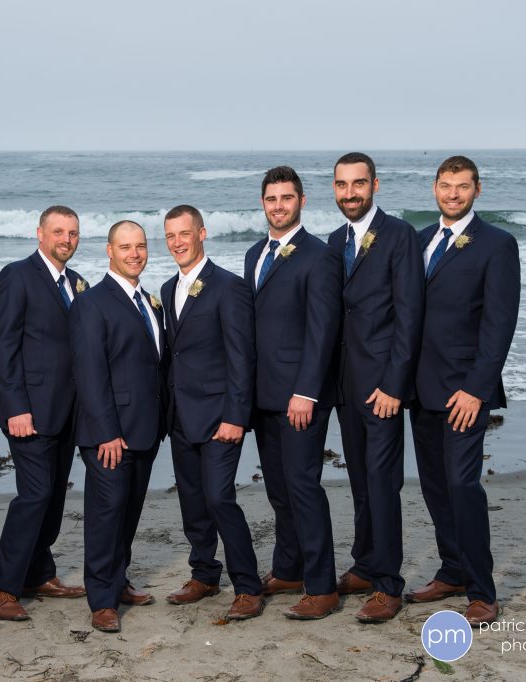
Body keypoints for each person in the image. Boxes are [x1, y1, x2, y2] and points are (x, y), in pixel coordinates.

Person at [406, 155, 520, 626]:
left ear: (478, 190)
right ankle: (451, 569)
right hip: (421, 388)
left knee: (462, 485)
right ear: (434, 188)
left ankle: (481, 590)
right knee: (434, 486)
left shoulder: (497, 244)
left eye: (463, 187)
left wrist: (477, 389)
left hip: (465, 393)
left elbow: (499, 325)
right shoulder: (418, 241)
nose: (453, 194)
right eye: (446, 185)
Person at [326, 153, 424, 622]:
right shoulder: (333, 241)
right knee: (361, 482)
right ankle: (364, 565)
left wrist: (394, 385)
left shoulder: (399, 235)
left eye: (359, 184)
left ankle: (388, 584)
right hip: (346, 386)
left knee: (383, 485)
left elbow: (410, 316)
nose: (351, 193)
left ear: (375, 185)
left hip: (382, 387)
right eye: (343, 185)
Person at [243, 166, 343, 619]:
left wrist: (306, 391)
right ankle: (288, 568)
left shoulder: (318, 256)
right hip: (264, 396)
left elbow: (323, 331)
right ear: (263, 203)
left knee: (304, 487)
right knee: (279, 490)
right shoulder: (253, 254)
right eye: (271, 198)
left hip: (300, 398)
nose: (278, 206)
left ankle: (322, 587)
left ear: (302, 201)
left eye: (287, 197)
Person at [0, 206, 89, 621]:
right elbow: (2, 347)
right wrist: (16, 407)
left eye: (74, 233)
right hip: (28, 412)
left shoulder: (77, 283)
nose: (67, 239)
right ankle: (2, 589)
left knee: (54, 494)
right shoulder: (17, 276)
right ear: (40, 234)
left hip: (67, 411)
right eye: (59, 231)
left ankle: (39, 573)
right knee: (35, 494)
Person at [159, 205, 264, 621]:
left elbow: (242, 357)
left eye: (185, 233)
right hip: (181, 416)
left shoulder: (229, 287)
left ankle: (248, 586)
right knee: (192, 501)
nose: (178, 242)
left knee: (220, 497)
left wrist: (236, 416)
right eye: (170, 236)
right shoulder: (168, 288)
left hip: (221, 415)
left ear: (203, 234)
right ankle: (204, 574)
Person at [69, 220, 168, 633]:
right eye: (125, 247)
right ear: (109, 251)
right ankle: (102, 600)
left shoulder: (148, 299)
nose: (134, 253)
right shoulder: (91, 303)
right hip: (108, 434)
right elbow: (90, 374)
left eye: (140, 246)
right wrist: (107, 431)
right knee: (105, 515)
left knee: (128, 513)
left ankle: (118, 579)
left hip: (144, 428)